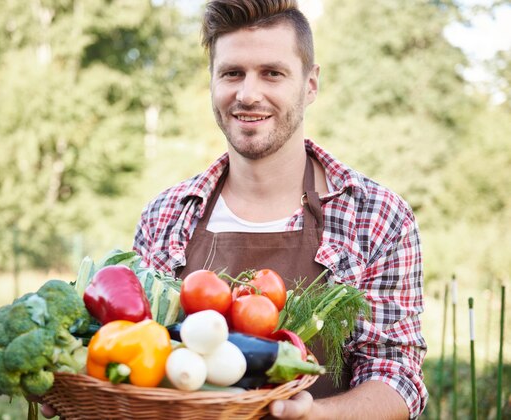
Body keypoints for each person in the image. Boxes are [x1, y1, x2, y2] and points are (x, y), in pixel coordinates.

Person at [132, 1, 428, 419]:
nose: (248, 94)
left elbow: (397, 375)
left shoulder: (378, 216)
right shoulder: (164, 216)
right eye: (232, 73)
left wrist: (312, 416)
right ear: (212, 82)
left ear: (310, 84)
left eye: (272, 73)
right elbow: (136, 356)